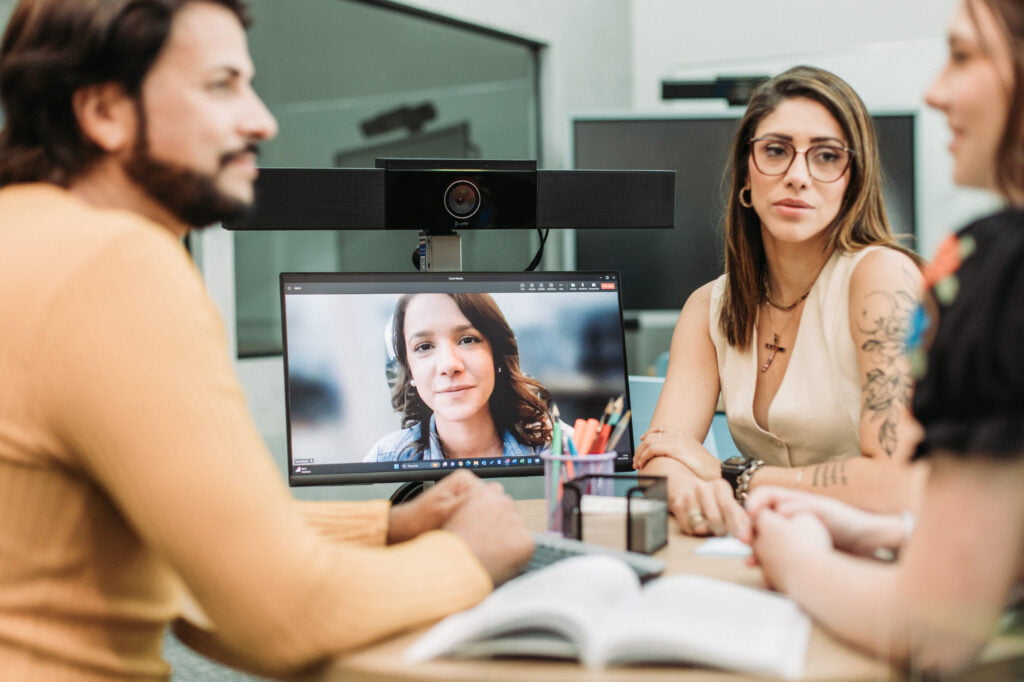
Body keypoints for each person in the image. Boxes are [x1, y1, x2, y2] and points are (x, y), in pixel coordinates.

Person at [0, 0, 533, 679]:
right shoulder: (112, 262)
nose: (262, 120)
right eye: (221, 85)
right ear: (105, 111)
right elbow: (285, 619)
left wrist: (386, 527)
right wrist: (470, 557)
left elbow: (185, 534)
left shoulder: (24, 234)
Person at [747, 0, 1024, 675]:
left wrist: (795, 559)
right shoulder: (715, 303)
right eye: (776, 151)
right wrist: (885, 533)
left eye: (964, 56)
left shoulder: (996, 269)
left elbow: (930, 630)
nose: (935, 90)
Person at [634, 65, 926, 537]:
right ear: (746, 175)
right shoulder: (708, 307)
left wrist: (732, 477)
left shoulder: (881, 278)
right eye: (775, 150)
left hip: (891, 562)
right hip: (771, 548)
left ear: (853, 180)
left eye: (826, 156)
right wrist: (695, 495)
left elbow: (897, 484)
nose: (797, 176)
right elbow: (660, 457)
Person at [365, 292, 558, 462]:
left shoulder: (560, 448)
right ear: (410, 370)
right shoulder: (385, 457)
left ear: (496, 354)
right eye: (424, 346)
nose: (449, 365)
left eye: (467, 340)